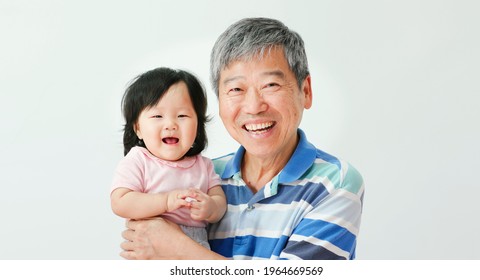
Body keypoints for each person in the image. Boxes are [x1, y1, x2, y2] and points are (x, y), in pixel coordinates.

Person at [120, 17, 364, 260]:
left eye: (270, 85)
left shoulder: (335, 183)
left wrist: (177, 248)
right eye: (236, 89)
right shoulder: (202, 177)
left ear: (306, 91)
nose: (254, 106)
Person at [111, 67, 226, 249]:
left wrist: (211, 208)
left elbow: (219, 201)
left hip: (197, 246)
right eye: (157, 116)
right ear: (138, 128)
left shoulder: (203, 165)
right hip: (149, 243)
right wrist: (165, 201)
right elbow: (120, 202)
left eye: (182, 116)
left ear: (198, 126)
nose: (171, 124)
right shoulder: (139, 160)